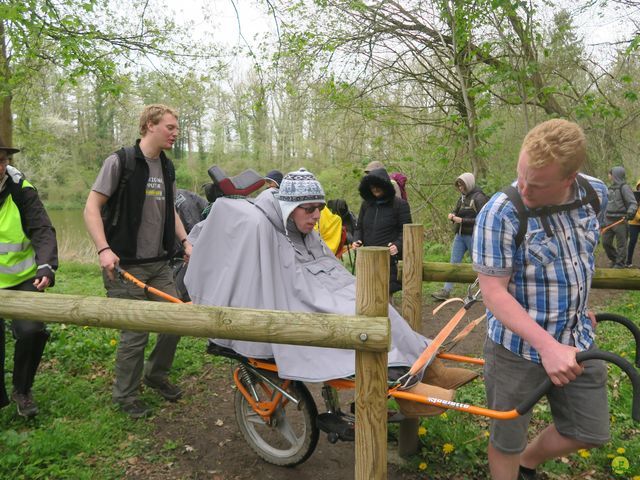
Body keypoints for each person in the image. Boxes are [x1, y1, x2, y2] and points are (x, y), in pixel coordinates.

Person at [184, 168, 478, 417]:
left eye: (319, 208)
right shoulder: (267, 228)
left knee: (381, 308)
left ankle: (431, 368)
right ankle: (406, 387)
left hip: (323, 289)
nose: (316, 216)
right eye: (308, 209)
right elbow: (286, 283)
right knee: (361, 320)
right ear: (289, 207)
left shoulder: (306, 230)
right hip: (300, 301)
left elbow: (329, 267)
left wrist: (350, 290)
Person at [472, 119, 609, 480]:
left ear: (570, 178)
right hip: (515, 348)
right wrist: (547, 347)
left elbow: (579, 256)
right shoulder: (500, 213)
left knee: (590, 429)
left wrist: (579, 307)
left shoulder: (595, 195)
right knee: (506, 440)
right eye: (522, 175)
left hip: (576, 339)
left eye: (537, 184)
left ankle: (527, 464)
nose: (524, 187)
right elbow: (493, 293)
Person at [84, 104, 192, 418]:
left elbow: (169, 210)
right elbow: (91, 208)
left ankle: (156, 374)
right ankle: (125, 397)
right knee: (135, 333)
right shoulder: (120, 162)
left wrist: (185, 241)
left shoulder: (168, 167)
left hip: (159, 263)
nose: (176, 132)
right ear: (149, 125)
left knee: (175, 319)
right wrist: (104, 249)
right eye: (170, 127)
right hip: (124, 265)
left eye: (177, 127)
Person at [0, 139, 58, 418]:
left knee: (31, 330)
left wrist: (46, 266)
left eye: (2, 161)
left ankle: (22, 390)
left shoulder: (22, 190)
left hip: (23, 278)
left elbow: (42, 230)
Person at [351, 167, 411, 294]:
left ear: (385, 185)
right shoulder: (366, 205)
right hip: (368, 258)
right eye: (372, 186)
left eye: (378, 185)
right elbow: (359, 227)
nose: (375, 189)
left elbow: (406, 232)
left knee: (385, 296)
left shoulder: (400, 205)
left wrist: (397, 245)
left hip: (389, 260)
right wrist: (357, 240)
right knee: (367, 293)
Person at [432, 173, 488, 301]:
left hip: (474, 236)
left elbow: (483, 219)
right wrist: (452, 216)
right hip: (460, 235)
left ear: (468, 183)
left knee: (478, 264)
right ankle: (446, 291)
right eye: (458, 185)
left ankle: (484, 291)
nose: (460, 187)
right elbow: (455, 211)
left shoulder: (479, 198)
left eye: (462, 185)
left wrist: (462, 220)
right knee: (453, 263)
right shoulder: (462, 198)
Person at [602, 166, 637, 268]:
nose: (609, 175)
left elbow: (633, 203)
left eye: (610, 173)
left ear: (615, 175)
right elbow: (605, 205)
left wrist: (630, 213)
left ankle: (620, 264)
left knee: (621, 245)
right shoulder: (609, 188)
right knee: (605, 243)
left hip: (620, 221)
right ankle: (615, 259)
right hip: (608, 220)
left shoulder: (624, 187)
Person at [626, 179, 640, 267]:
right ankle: (628, 262)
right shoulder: (634, 196)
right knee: (632, 241)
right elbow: (632, 209)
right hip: (634, 223)